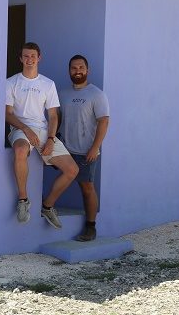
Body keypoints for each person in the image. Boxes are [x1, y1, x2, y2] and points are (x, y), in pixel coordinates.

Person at [5, 42, 79, 228]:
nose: (29, 59)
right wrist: (26, 129)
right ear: (20, 58)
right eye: (26, 56)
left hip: (44, 132)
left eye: (33, 56)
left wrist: (51, 139)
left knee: (72, 170)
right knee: (21, 150)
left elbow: (53, 115)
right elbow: (7, 114)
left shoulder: (48, 84)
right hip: (20, 129)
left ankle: (47, 205)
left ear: (39, 58)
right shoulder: (11, 82)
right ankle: (23, 200)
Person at [59, 54, 109, 241]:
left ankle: (90, 227)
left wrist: (95, 148)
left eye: (81, 68)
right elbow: (58, 119)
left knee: (87, 188)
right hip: (64, 150)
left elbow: (104, 122)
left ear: (87, 70)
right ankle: (47, 206)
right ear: (69, 71)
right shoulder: (63, 94)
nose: (77, 71)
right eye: (73, 68)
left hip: (86, 151)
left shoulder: (96, 94)